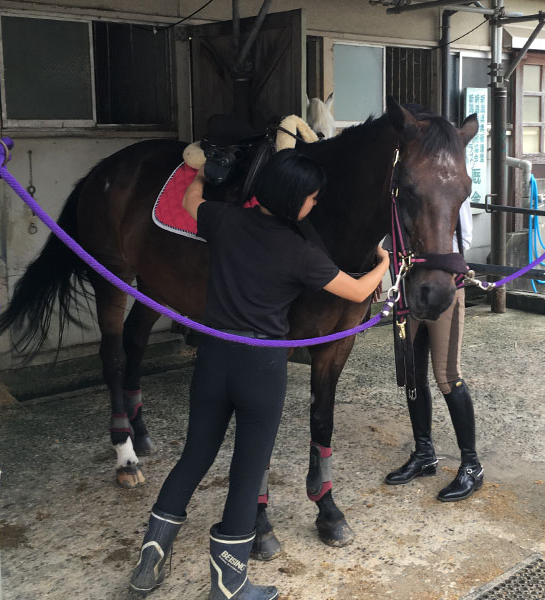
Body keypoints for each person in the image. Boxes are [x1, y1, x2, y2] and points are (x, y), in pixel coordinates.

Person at [129, 149, 389, 599]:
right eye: (311, 198)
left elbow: (191, 201)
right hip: (261, 366)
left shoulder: (224, 221)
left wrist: (201, 174)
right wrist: (386, 262)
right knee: (247, 471)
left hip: (212, 358)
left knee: (194, 456)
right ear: (295, 202)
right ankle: (229, 584)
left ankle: (150, 559)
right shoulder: (301, 253)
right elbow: (359, 288)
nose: (314, 205)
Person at [383, 195, 483, 502]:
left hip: (442, 286)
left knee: (447, 375)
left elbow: (463, 237)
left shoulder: (448, 185)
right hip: (409, 286)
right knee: (412, 373)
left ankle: (471, 465)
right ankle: (424, 453)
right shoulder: (399, 193)